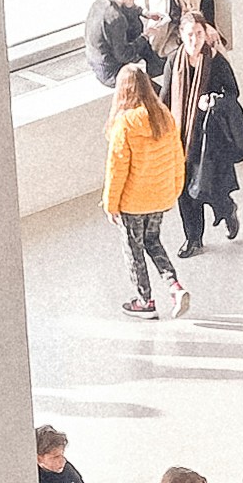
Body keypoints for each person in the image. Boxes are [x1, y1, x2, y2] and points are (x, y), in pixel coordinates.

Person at [108, 60, 191, 319]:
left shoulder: (124, 124)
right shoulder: (164, 117)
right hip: (160, 197)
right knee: (153, 241)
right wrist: (174, 189)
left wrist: (111, 204)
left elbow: (116, 170)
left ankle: (145, 302)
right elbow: (178, 156)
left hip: (133, 202)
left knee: (134, 251)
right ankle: (174, 286)